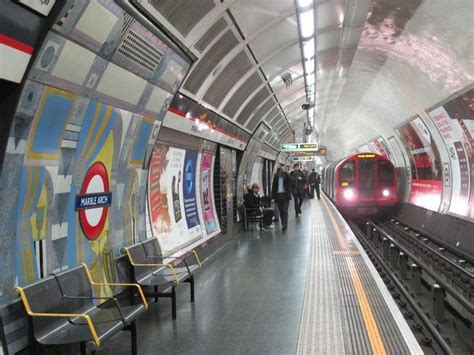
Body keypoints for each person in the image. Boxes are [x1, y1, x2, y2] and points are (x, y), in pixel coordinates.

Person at [271, 167, 292, 231]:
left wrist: (286, 173)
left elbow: (292, 180)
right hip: (278, 196)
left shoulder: (286, 178)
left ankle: (285, 225)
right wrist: (273, 197)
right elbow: (273, 188)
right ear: (278, 172)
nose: (281, 173)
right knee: (281, 211)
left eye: (282, 172)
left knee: (284, 210)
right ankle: (283, 223)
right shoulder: (276, 178)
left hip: (285, 196)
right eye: (280, 172)